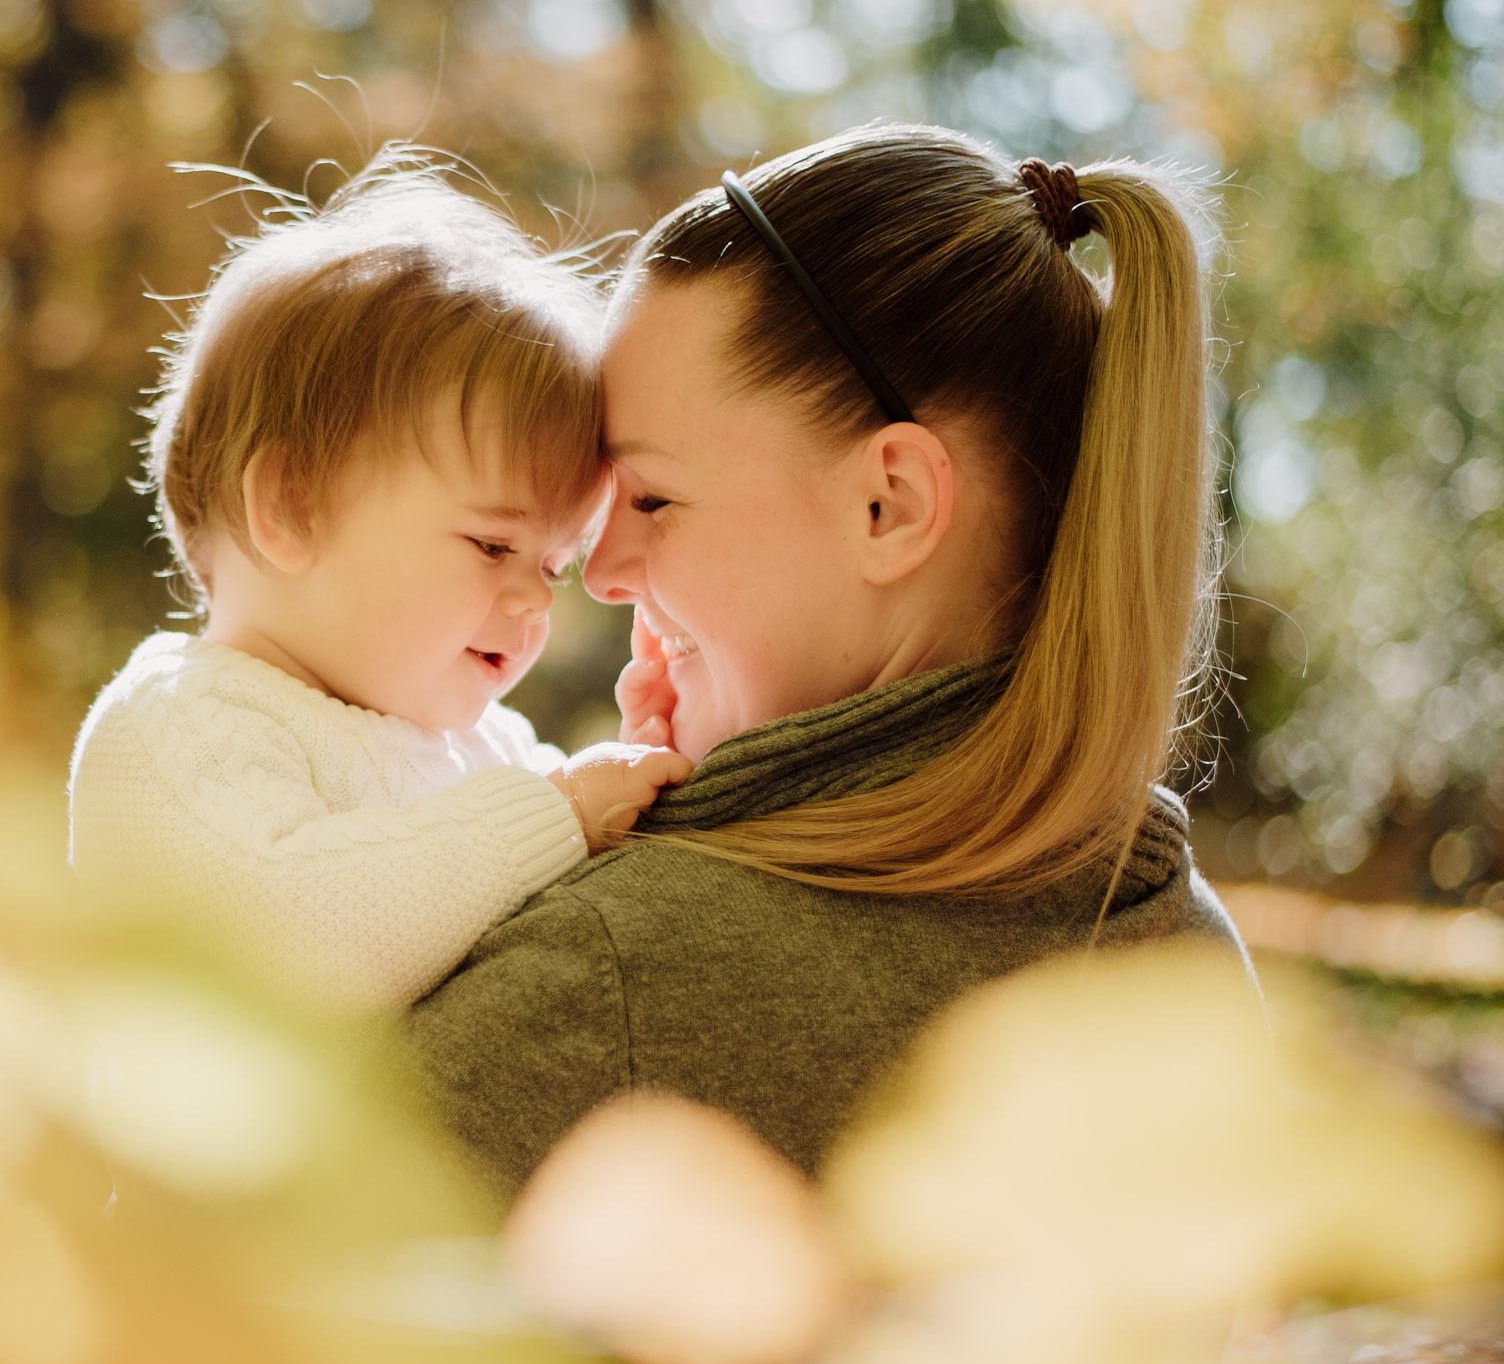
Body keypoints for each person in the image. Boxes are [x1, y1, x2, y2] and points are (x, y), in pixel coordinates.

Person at [409, 126, 1247, 1187]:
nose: (602, 567)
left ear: (886, 503)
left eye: (654, 498)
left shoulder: (610, 974)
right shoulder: (1188, 957)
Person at [68, 156, 688, 1012]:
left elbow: (576, 867)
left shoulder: (493, 747)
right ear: (293, 504)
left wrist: (634, 768)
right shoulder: (180, 730)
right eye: (491, 543)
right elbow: (292, 943)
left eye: (552, 564)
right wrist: (562, 812)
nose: (538, 600)